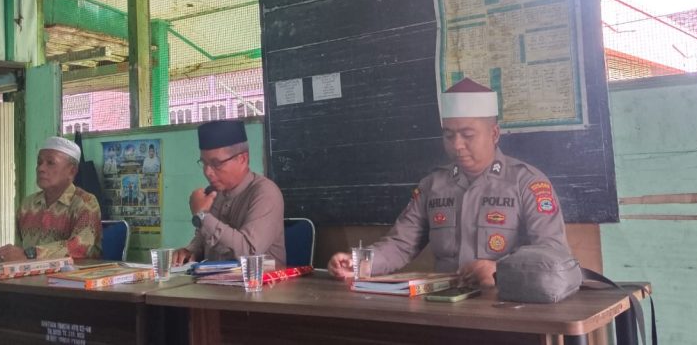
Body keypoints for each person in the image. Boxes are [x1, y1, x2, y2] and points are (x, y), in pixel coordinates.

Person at [327, 78, 569, 286]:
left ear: (494, 134)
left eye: (467, 135)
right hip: (446, 304)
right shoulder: (433, 185)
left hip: (506, 302)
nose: (457, 145)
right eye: (449, 135)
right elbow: (401, 244)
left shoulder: (526, 183)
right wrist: (359, 264)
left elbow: (552, 252)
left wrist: (500, 269)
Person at [172, 120, 286, 266]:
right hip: (214, 279)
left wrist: (202, 216)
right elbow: (204, 239)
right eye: (204, 163)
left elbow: (249, 253)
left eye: (216, 163)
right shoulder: (214, 193)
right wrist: (190, 251)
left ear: (242, 159)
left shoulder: (265, 193)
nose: (207, 171)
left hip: (259, 280)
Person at [0, 136, 102, 262]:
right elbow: (20, 250)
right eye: (39, 163)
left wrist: (30, 254)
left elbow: (80, 248)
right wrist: (11, 257)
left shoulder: (85, 203)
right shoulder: (28, 205)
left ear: (72, 171)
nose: (41, 168)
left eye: (50, 163)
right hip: (30, 273)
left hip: (73, 274)